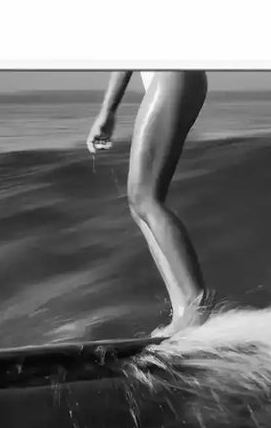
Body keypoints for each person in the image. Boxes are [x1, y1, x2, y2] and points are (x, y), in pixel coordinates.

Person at [86, 71, 209, 334]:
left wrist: (107, 112)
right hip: (179, 79)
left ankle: (196, 307)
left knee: (144, 197)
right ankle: (183, 313)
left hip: (172, 75)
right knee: (139, 203)